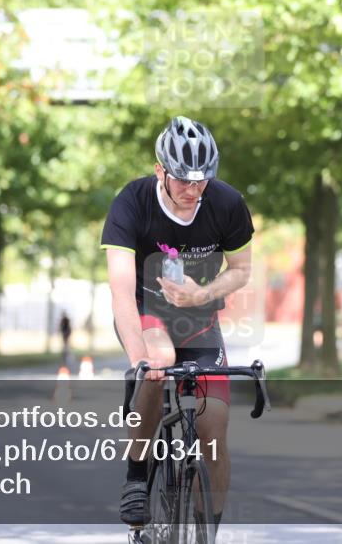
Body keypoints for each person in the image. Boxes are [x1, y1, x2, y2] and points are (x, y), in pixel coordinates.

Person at [100, 116, 254, 534]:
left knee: (214, 430)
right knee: (160, 360)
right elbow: (120, 290)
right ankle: (136, 475)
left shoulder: (227, 203)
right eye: (183, 179)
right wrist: (140, 361)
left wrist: (202, 295)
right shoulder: (132, 202)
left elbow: (241, 270)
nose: (193, 190)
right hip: (145, 308)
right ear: (160, 171)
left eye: (202, 180)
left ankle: (206, 533)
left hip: (199, 317)